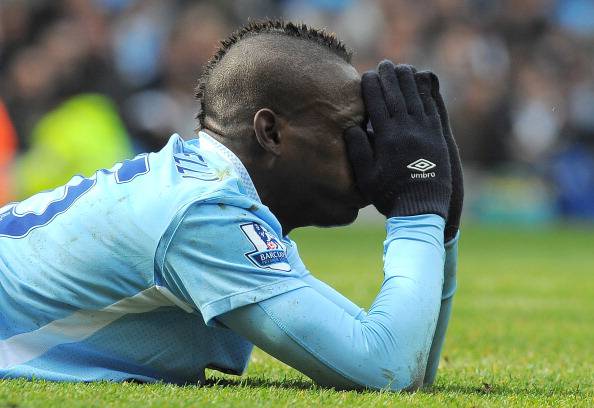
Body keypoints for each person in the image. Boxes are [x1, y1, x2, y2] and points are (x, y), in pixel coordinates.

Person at [0, 20, 463, 391]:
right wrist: (417, 211)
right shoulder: (202, 212)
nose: (366, 152)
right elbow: (384, 366)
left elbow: (407, 360)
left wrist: (440, 224)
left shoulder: (214, 193)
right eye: (349, 131)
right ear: (271, 133)